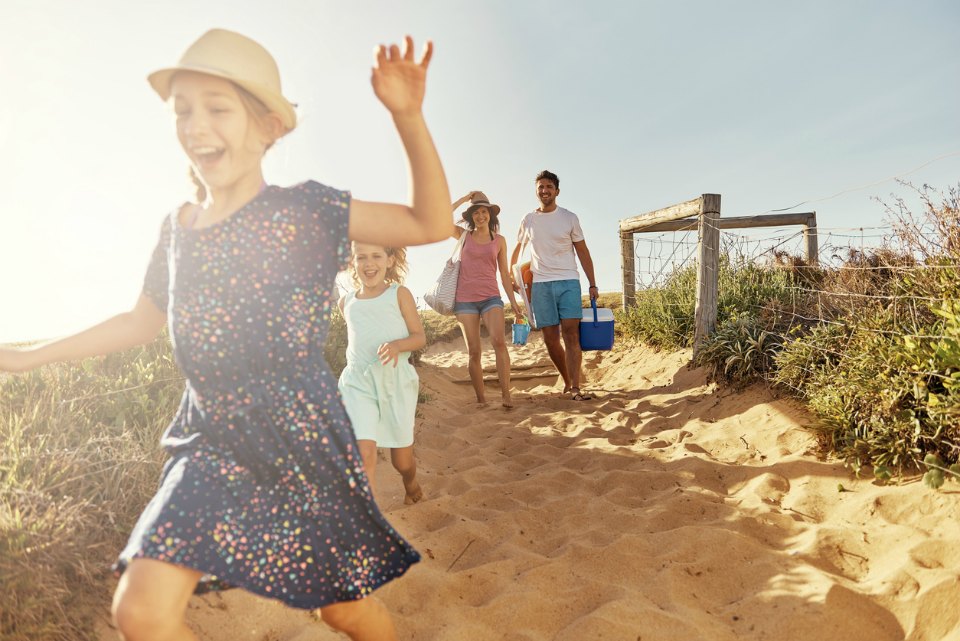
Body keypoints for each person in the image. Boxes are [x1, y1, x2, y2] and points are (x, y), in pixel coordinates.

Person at [0, 28, 450, 641]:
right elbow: (139, 321)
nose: (195, 124)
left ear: (268, 126)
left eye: (217, 108)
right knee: (141, 610)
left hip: (300, 441)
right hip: (207, 439)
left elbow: (428, 221)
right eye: (183, 110)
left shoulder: (307, 211)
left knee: (342, 609)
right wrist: (29, 357)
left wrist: (408, 116)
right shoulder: (176, 230)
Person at [338, 242, 424, 505]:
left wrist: (397, 346)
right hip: (357, 382)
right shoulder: (347, 302)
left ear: (390, 260)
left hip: (394, 382)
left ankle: (411, 486)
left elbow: (419, 337)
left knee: (402, 461)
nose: (369, 263)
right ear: (352, 262)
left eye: (376, 256)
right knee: (364, 454)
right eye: (361, 257)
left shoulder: (399, 294)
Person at [510, 170, 598, 401]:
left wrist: (592, 283)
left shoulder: (569, 218)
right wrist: (513, 277)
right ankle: (567, 380)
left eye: (549, 186)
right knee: (550, 338)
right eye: (540, 187)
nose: (544, 190)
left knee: (571, 334)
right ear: (536, 191)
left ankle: (576, 386)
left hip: (568, 280)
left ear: (557, 191)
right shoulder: (528, 219)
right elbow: (517, 250)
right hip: (540, 284)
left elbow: (583, 251)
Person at [450, 191, 523, 408]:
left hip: (491, 297)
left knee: (499, 342)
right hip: (465, 300)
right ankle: (481, 400)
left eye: (484, 211)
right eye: (476, 212)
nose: (480, 216)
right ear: (471, 216)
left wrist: (515, 304)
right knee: (474, 351)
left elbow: (503, 274)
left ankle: (506, 396)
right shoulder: (463, 236)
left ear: (490, 214)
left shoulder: (499, 241)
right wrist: (464, 199)